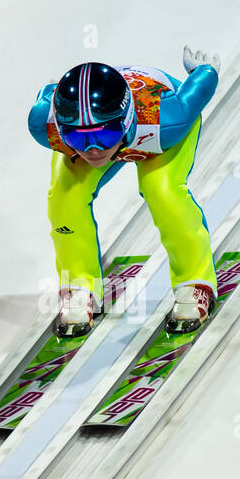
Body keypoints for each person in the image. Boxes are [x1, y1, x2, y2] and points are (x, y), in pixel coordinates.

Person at [27, 49, 220, 337]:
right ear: (61, 130)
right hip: (123, 127)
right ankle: (79, 286)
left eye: (104, 135)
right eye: (78, 136)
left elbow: (199, 90)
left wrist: (205, 70)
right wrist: (101, 136)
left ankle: (196, 282)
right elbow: (47, 93)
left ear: (127, 120)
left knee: (162, 190)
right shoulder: (45, 124)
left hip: (155, 133)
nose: (92, 149)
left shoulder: (167, 120)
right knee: (64, 197)